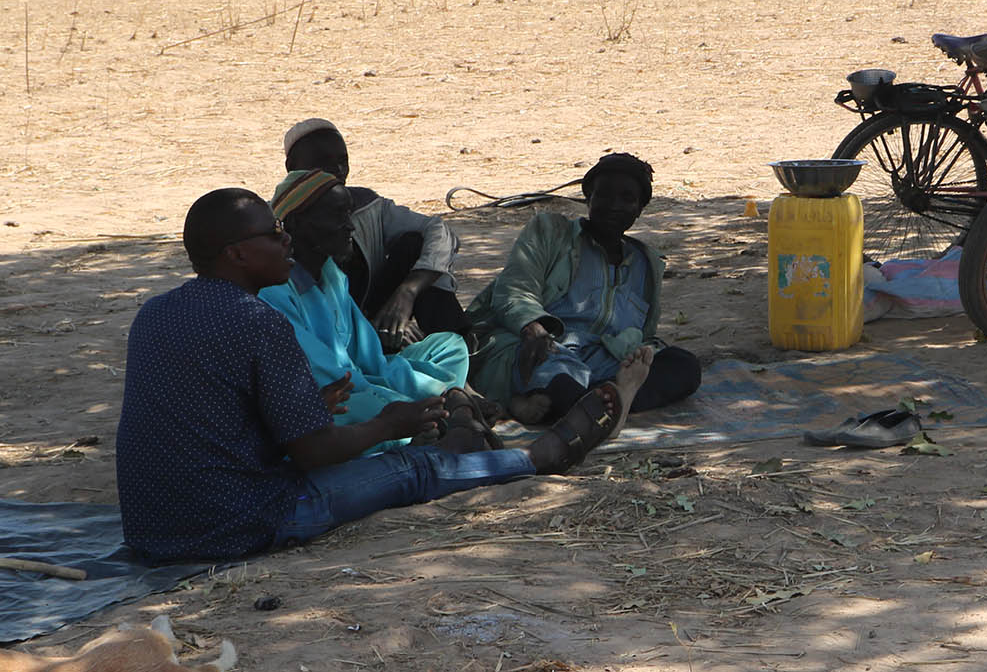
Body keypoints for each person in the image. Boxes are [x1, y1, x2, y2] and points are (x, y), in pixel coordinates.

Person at [115, 189, 631, 564]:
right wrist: (389, 423)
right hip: (235, 524)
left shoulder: (154, 313)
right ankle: (536, 457)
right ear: (237, 254)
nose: (285, 239)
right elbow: (313, 454)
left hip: (151, 528)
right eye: (273, 234)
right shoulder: (260, 321)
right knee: (413, 470)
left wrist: (313, 405)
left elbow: (219, 416)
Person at [467, 152, 702, 425]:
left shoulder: (645, 263)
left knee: (684, 366)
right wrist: (533, 327)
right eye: (604, 195)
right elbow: (513, 292)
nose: (614, 206)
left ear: (640, 208)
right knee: (559, 375)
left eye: (627, 199)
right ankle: (602, 403)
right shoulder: (550, 232)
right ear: (588, 197)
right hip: (543, 349)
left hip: (605, 362)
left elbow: (646, 334)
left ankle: (595, 403)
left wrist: (642, 356)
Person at [259, 169, 473, 452]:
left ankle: (430, 412)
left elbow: (370, 360)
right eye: (337, 216)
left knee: (451, 347)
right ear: (298, 223)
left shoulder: (331, 274)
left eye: (348, 214)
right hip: (329, 397)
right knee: (358, 406)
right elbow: (333, 381)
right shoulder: (274, 290)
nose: (350, 227)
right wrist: (402, 399)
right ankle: (425, 421)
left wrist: (400, 387)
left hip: (363, 379)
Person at [282, 118, 468, 346]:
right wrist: (368, 333)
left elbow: (439, 232)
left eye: (343, 161)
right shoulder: (281, 221)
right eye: (323, 164)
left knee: (414, 244)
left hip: (367, 315)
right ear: (292, 167)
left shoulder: (367, 204)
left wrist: (406, 293)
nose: (338, 172)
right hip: (332, 337)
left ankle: (458, 342)